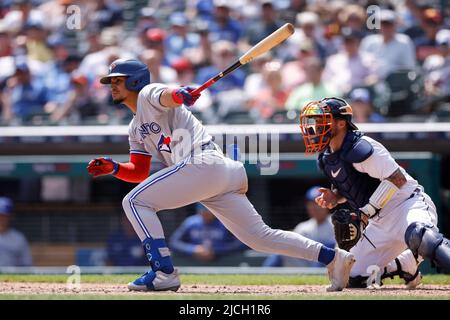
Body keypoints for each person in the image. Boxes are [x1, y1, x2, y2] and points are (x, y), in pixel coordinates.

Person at [87, 58, 354, 292]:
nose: (112, 85)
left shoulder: (147, 93)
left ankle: (163, 272)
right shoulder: (135, 128)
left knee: (133, 202)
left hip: (202, 163)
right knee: (259, 238)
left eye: (118, 80)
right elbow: (139, 171)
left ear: (134, 81)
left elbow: (167, 95)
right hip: (215, 174)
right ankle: (333, 258)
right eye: (110, 81)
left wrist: (180, 93)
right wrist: (114, 168)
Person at [299, 97, 450, 288]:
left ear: (341, 122)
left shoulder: (360, 146)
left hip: (406, 204)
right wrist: (334, 197)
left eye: (323, 121)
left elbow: (397, 179)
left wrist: (365, 212)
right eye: (316, 122)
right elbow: (353, 185)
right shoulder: (326, 157)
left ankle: (416, 254)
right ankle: (405, 264)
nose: (317, 127)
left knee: (422, 237)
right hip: (379, 222)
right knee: (349, 276)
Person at [263, 186, 336, 267]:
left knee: (327, 250)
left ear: (327, 204)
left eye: (317, 204)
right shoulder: (303, 227)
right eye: (311, 204)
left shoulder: (336, 222)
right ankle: (263, 273)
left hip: (329, 266)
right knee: (281, 250)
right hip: (306, 264)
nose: (315, 208)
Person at [169, 203, 245, 262]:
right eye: (203, 212)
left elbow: (240, 243)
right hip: (194, 260)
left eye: (208, 213)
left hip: (222, 259)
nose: (205, 215)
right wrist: (193, 249)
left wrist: (216, 250)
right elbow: (174, 242)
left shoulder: (225, 222)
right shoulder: (191, 222)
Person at [0, 197, 33, 267]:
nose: (1, 219)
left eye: (4, 216)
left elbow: (26, 265)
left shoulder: (19, 238)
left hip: (12, 276)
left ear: (10, 217)